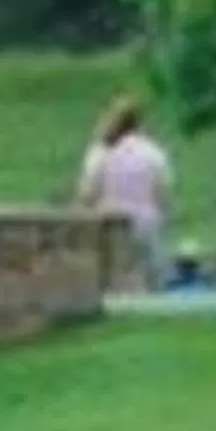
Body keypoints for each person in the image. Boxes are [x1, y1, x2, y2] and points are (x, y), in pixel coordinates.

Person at [76, 95, 173, 292]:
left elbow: (86, 193)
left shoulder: (101, 151)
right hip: (145, 223)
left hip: (110, 222)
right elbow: (161, 192)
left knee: (110, 281)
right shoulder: (153, 152)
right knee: (151, 278)